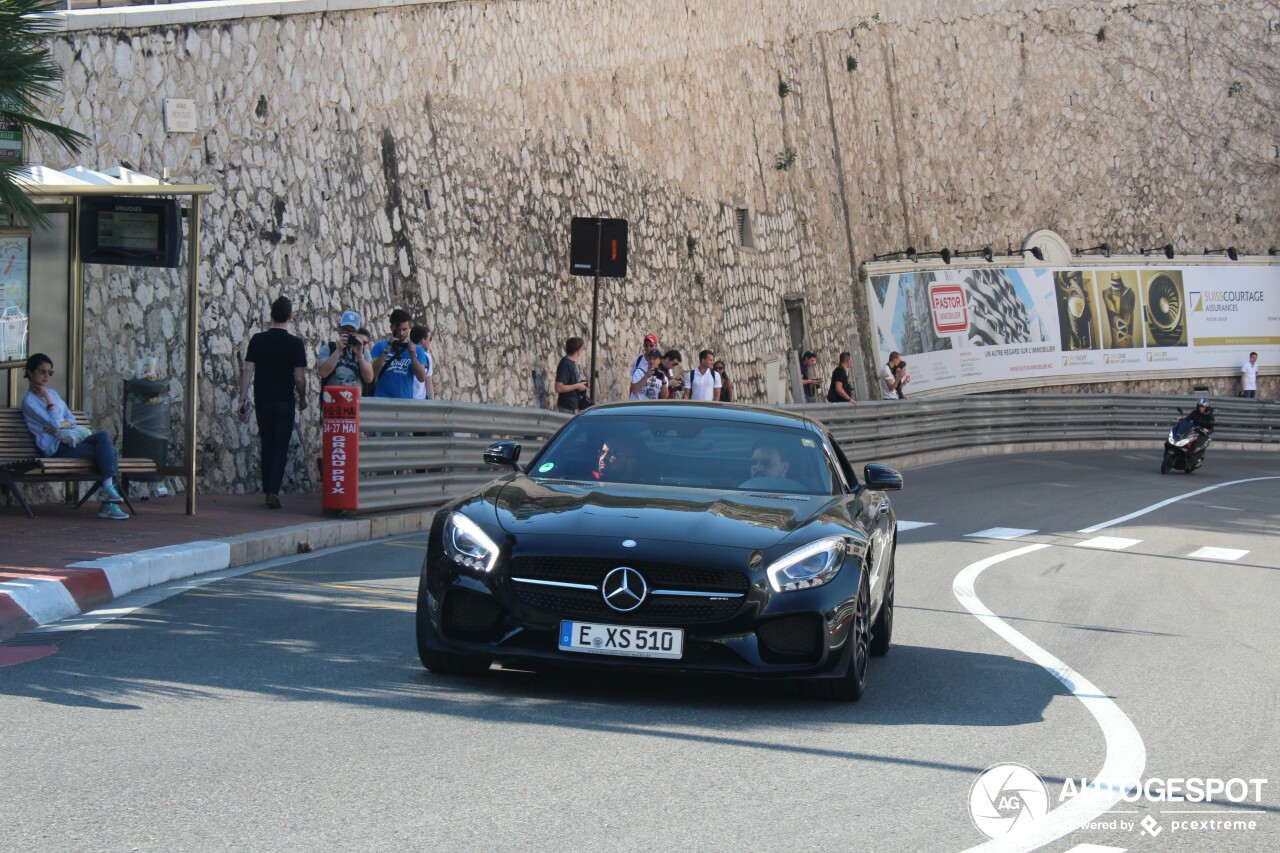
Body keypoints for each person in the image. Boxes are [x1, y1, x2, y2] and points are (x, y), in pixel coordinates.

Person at [20, 353, 129, 520]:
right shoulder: (30, 402)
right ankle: (109, 503)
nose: (46, 376)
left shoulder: (54, 394)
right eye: (42, 371)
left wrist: (60, 423)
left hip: (72, 440)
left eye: (50, 372)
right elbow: (56, 422)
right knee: (111, 452)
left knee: (103, 438)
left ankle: (107, 493)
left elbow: (69, 420)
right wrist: (47, 399)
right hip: (57, 450)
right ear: (30, 372)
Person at [237, 296, 308, 509]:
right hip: (284, 400)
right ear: (290, 316)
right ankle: (273, 491)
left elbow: (248, 370)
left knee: (267, 442)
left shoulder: (258, 340)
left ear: (271, 315)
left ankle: (268, 487)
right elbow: (299, 377)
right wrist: (302, 397)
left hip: (263, 398)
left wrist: (242, 399)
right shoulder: (295, 344)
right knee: (280, 445)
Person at [316, 309, 374, 402]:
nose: (348, 334)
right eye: (345, 330)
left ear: (357, 332)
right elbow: (323, 372)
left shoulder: (363, 351)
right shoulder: (329, 348)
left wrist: (359, 355)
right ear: (339, 328)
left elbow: (369, 378)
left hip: (354, 405)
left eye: (352, 331)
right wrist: (338, 350)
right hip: (332, 405)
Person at [370, 308, 428, 399]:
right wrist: (386, 351)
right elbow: (372, 374)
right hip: (382, 401)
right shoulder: (380, 347)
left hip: (404, 403)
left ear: (409, 328)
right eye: (398, 329)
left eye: (405, 329)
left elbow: (422, 378)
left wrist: (413, 356)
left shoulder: (417, 349)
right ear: (391, 327)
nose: (401, 333)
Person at [554, 336, 590, 414]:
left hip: (572, 406)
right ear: (578, 350)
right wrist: (577, 386)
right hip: (567, 406)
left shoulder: (570, 363)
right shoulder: (566, 364)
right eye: (582, 348)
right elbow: (558, 388)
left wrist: (580, 385)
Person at [410, 324, 435, 400]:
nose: (430, 342)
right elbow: (429, 384)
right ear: (423, 341)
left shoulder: (427, 357)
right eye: (430, 339)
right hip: (415, 401)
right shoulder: (426, 356)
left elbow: (428, 385)